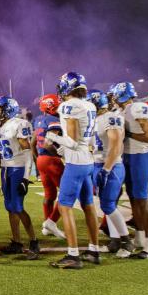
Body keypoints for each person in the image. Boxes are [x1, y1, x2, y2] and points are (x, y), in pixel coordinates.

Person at [48, 72, 100, 269]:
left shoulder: (69, 106)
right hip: (88, 160)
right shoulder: (90, 105)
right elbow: (90, 140)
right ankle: (94, 250)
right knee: (88, 205)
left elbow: (70, 141)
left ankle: (73, 254)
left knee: (64, 206)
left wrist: (53, 137)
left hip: (76, 162)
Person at [112, 80, 148, 259]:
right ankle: (139, 237)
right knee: (132, 198)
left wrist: (128, 134)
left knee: (141, 200)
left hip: (140, 156)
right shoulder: (121, 111)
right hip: (127, 157)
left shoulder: (138, 108)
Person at [0, 95, 39, 259]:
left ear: (8, 109)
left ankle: (34, 241)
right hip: (6, 169)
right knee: (10, 207)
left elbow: (27, 151)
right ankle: (17, 242)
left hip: (18, 169)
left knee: (18, 206)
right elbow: (2, 152)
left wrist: (26, 177)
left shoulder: (19, 124)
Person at [91, 89, 132, 257]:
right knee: (107, 205)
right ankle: (115, 241)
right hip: (98, 164)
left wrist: (106, 169)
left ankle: (126, 242)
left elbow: (115, 146)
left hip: (112, 166)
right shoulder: (95, 119)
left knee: (108, 205)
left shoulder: (111, 118)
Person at [33, 94, 66, 239]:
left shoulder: (38, 120)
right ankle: (51, 222)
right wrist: (60, 155)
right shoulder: (54, 120)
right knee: (66, 193)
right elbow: (48, 142)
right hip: (51, 160)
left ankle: (47, 225)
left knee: (50, 195)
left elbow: (33, 143)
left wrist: (38, 159)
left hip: (41, 159)